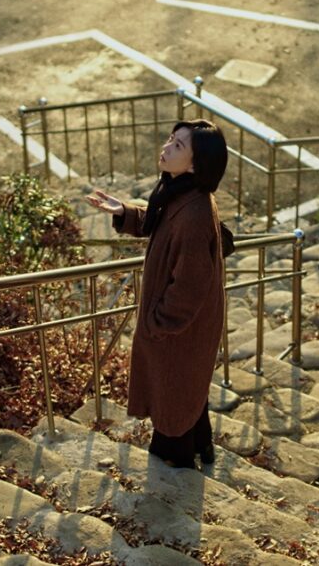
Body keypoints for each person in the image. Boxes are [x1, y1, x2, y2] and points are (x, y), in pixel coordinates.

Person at [85, 119, 227, 468]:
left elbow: (189, 287)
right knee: (187, 389)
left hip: (180, 328)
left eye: (178, 146)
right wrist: (126, 213)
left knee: (172, 404)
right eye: (170, 139)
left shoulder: (194, 213)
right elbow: (163, 224)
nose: (166, 148)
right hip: (187, 327)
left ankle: (177, 476)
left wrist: (156, 323)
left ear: (194, 164)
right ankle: (202, 447)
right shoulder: (183, 192)